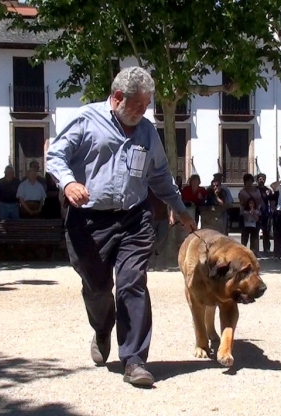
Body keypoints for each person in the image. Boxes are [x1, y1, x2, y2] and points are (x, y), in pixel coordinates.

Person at [46, 67, 196, 387]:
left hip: (134, 218)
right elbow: (56, 155)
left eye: (147, 105)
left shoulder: (146, 131)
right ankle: (103, 328)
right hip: (88, 220)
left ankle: (135, 359)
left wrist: (180, 210)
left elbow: (159, 176)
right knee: (97, 287)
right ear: (117, 98)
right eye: (139, 105)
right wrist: (69, 182)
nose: (144, 111)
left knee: (132, 283)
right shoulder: (86, 119)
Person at [147, 188, 171, 271]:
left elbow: (170, 201)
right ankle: (150, 265)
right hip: (151, 218)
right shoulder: (147, 187)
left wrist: (171, 215)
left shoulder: (163, 186)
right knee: (151, 241)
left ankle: (162, 264)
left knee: (162, 241)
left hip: (163, 217)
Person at [256, 173, 274, 254]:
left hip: (266, 213)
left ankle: (266, 248)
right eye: (260, 179)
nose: (261, 180)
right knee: (255, 232)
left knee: (266, 232)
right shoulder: (255, 190)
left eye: (263, 179)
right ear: (257, 180)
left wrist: (269, 194)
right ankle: (255, 249)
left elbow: (272, 201)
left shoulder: (268, 190)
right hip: (256, 213)